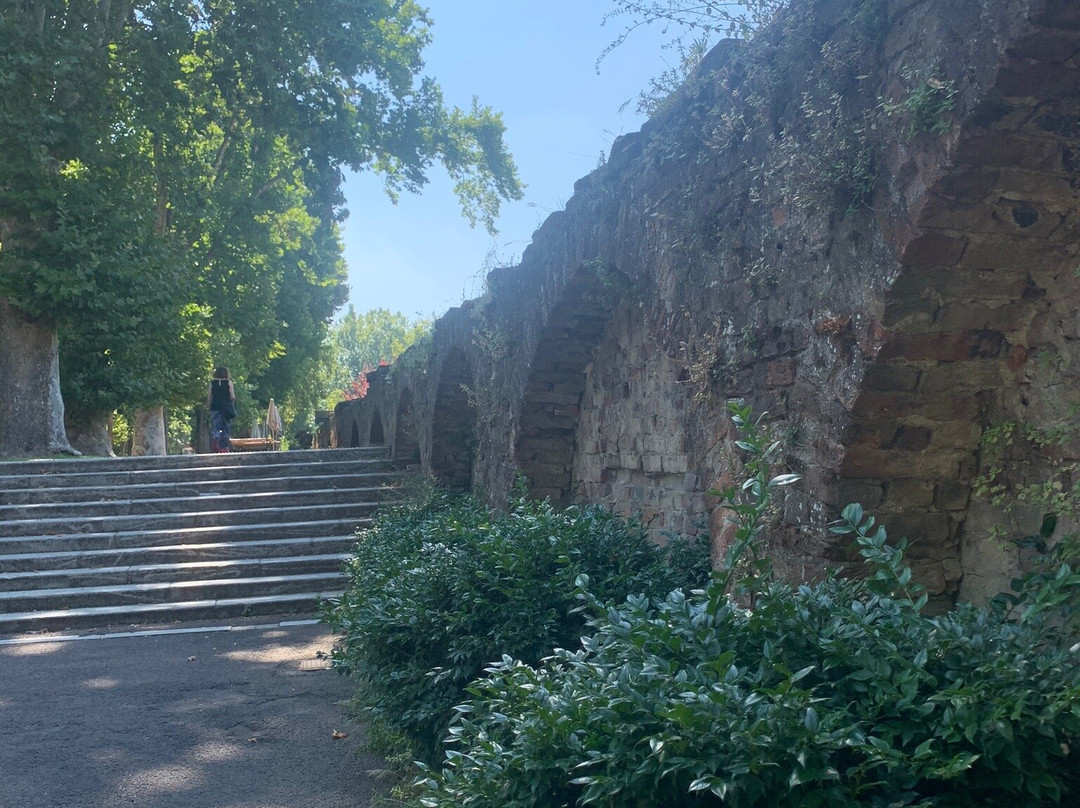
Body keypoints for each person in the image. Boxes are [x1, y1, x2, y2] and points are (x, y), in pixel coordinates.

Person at [206, 366, 236, 452]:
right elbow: (232, 397)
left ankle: (216, 441)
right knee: (226, 427)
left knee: (216, 426)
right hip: (226, 408)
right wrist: (230, 400)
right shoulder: (229, 383)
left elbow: (209, 397)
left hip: (215, 407)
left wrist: (209, 405)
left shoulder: (212, 383)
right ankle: (224, 447)